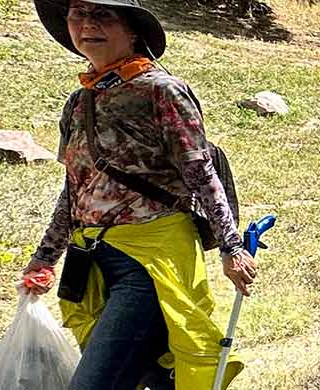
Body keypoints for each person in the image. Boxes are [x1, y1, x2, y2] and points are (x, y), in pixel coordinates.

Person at [20, 0, 255, 388]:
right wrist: (44, 257)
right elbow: (74, 188)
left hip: (150, 263)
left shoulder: (162, 91)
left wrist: (231, 248)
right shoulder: (80, 102)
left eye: (103, 15)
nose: (88, 24)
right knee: (152, 375)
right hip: (91, 262)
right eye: (78, 13)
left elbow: (201, 172)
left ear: (132, 31)